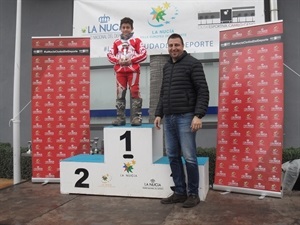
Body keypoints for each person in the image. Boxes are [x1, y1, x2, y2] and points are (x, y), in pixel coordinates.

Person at [154, 33, 209, 208]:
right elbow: (163, 93)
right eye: (170, 45)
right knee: (172, 156)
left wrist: (198, 115)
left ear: (183, 46)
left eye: (176, 45)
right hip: (169, 118)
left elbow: (203, 91)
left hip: (186, 117)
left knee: (189, 157)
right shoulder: (167, 67)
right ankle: (179, 191)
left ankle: (193, 194)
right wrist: (159, 114)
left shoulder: (193, 64)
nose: (173, 48)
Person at [107, 17, 147, 126]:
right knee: (120, 94)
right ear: (120, 28)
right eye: (123, 27)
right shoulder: (116, 42)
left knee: (135, 92)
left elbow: (144, 54)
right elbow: (110, 55)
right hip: (120, 71)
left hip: (133, 71)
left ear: (132, 28)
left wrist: (131, 60)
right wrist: (118, 61)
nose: (125, 29)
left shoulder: (137, 41)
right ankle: (120, 118)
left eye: (128, 27)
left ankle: (136, 117)